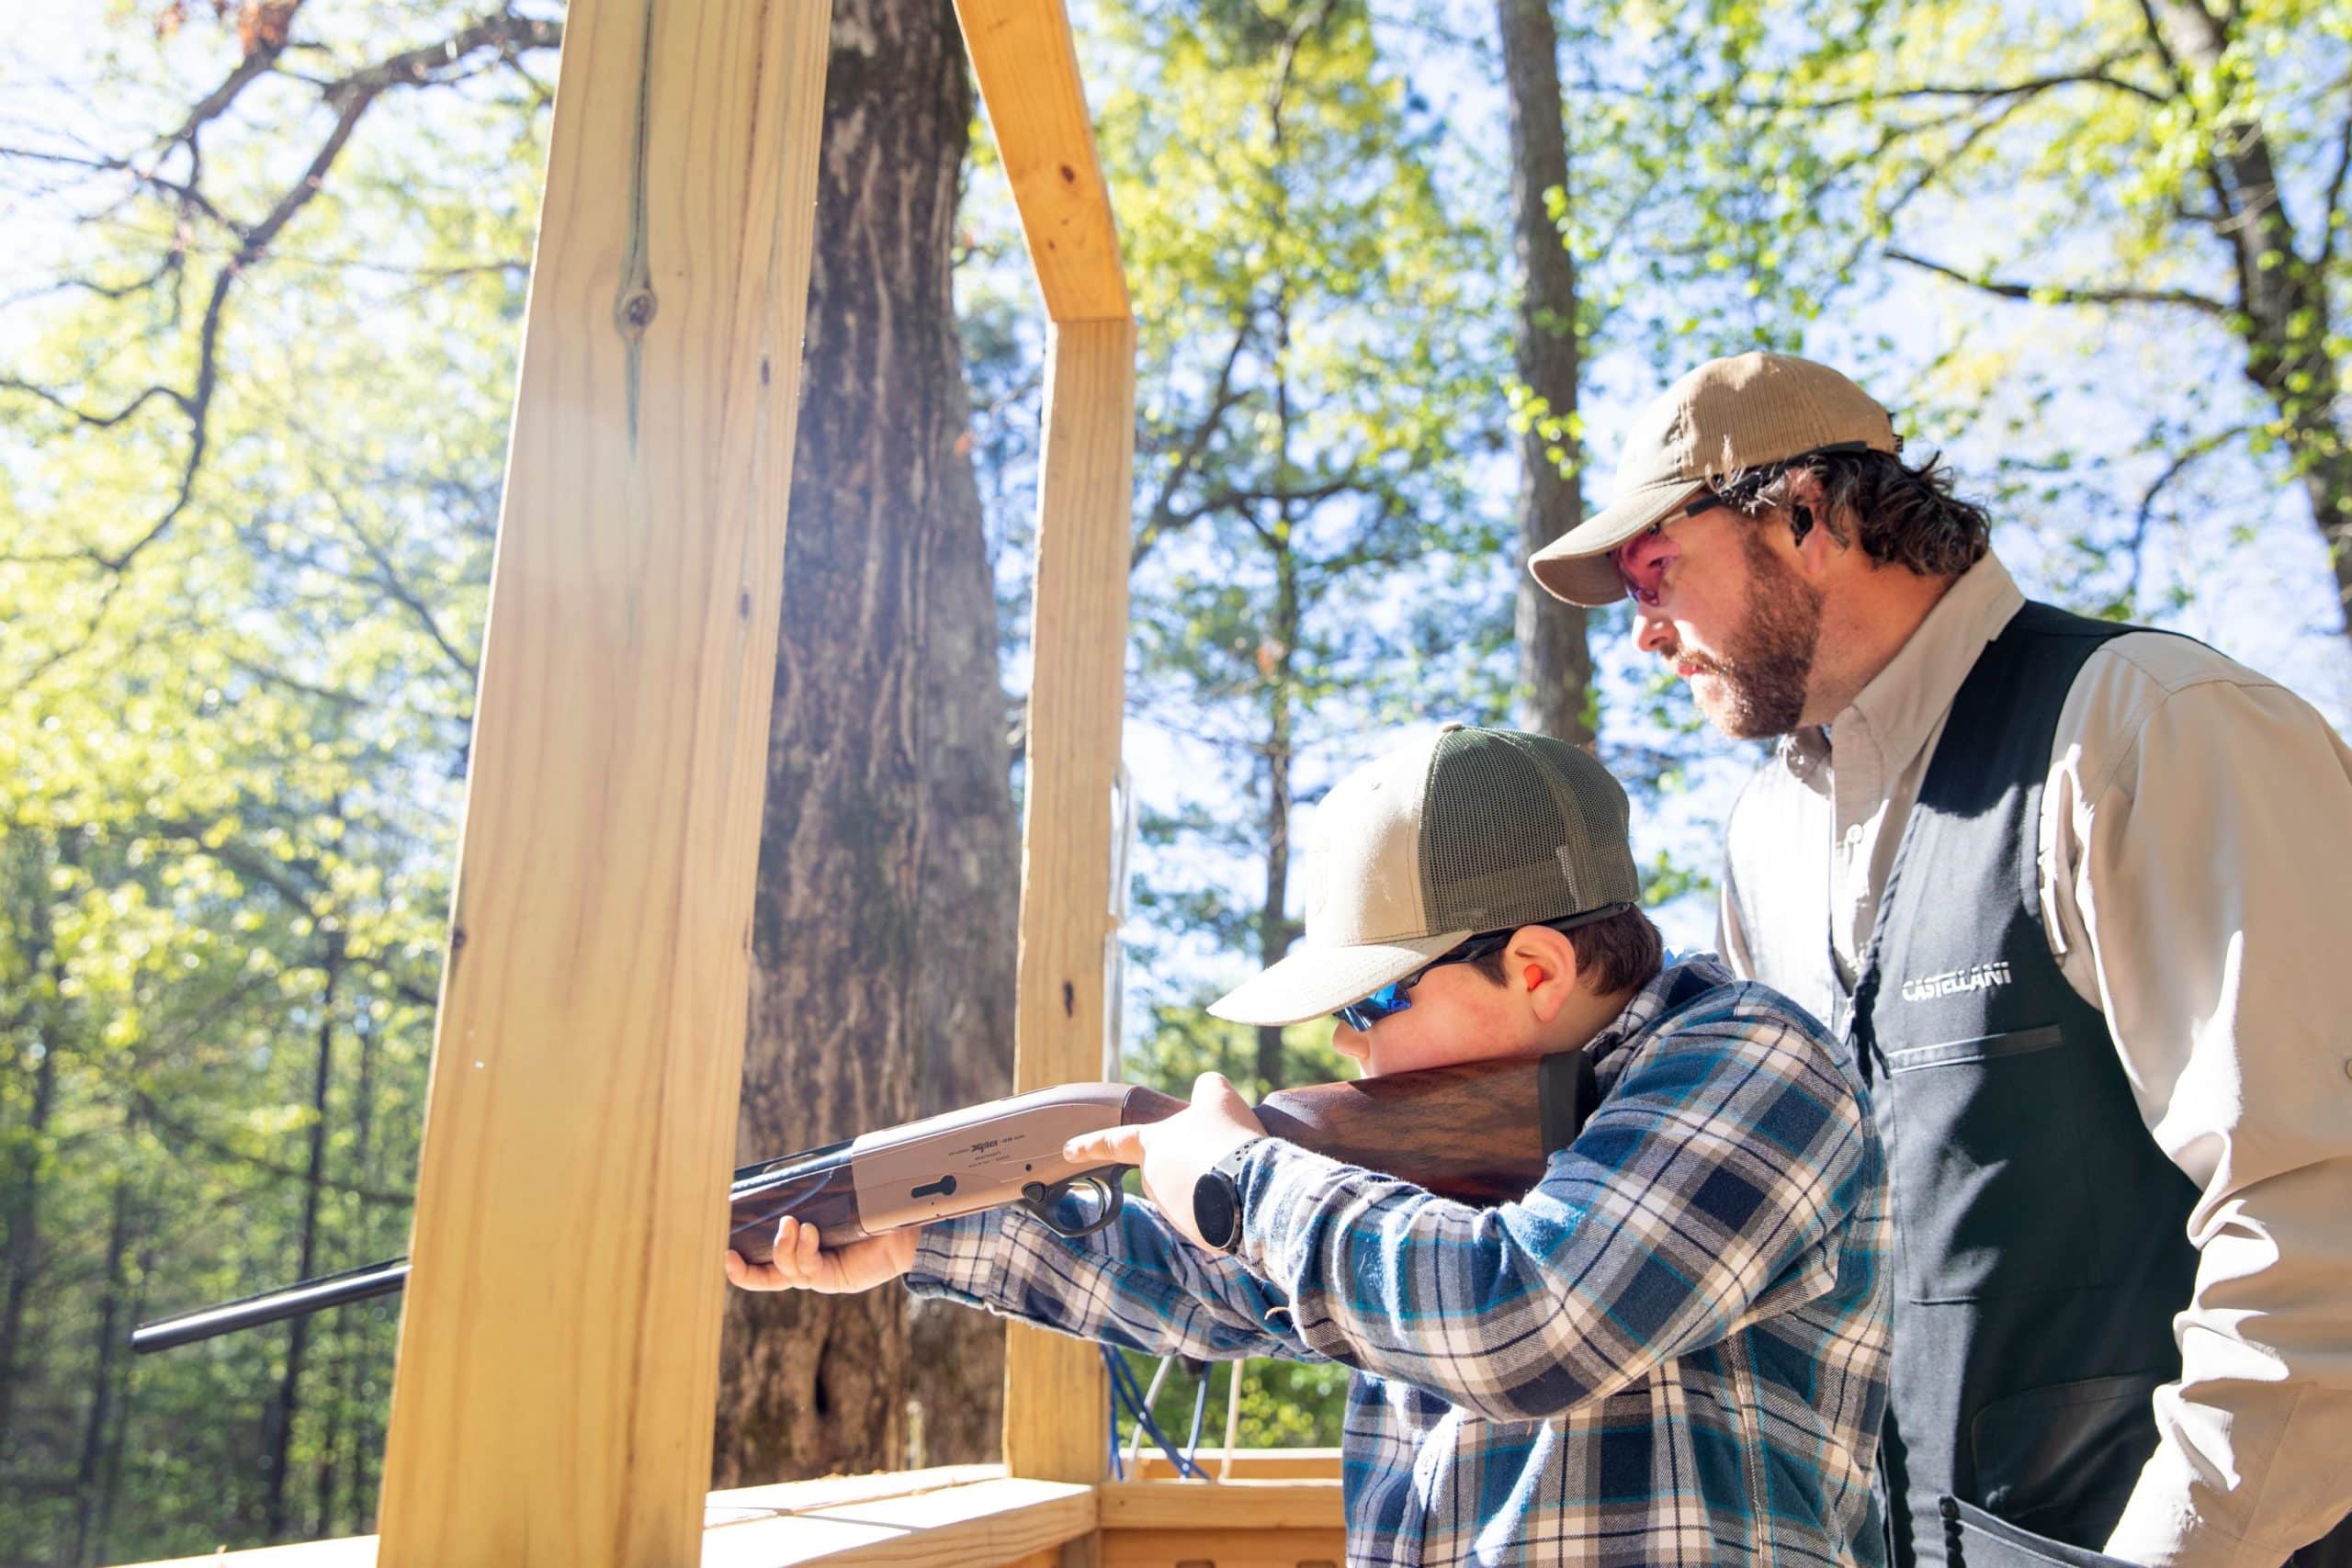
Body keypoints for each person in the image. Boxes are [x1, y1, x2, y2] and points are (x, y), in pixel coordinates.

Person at [1526, 351, 2352, 1568]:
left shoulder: (2149, 727)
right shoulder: (1764, 835)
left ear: (1807, 513)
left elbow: (2315, 1209)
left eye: (1657, 571)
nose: (1644, 633)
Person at [729, 724, 1893, 1567]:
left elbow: (1529, 1322)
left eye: (1373, 1003)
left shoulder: (1749, 1059)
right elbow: (1205, 1289)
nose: (1340, 1039)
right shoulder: (1453, 1145)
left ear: (1533, 969)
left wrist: (1238, 1178)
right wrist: (916, 1242)